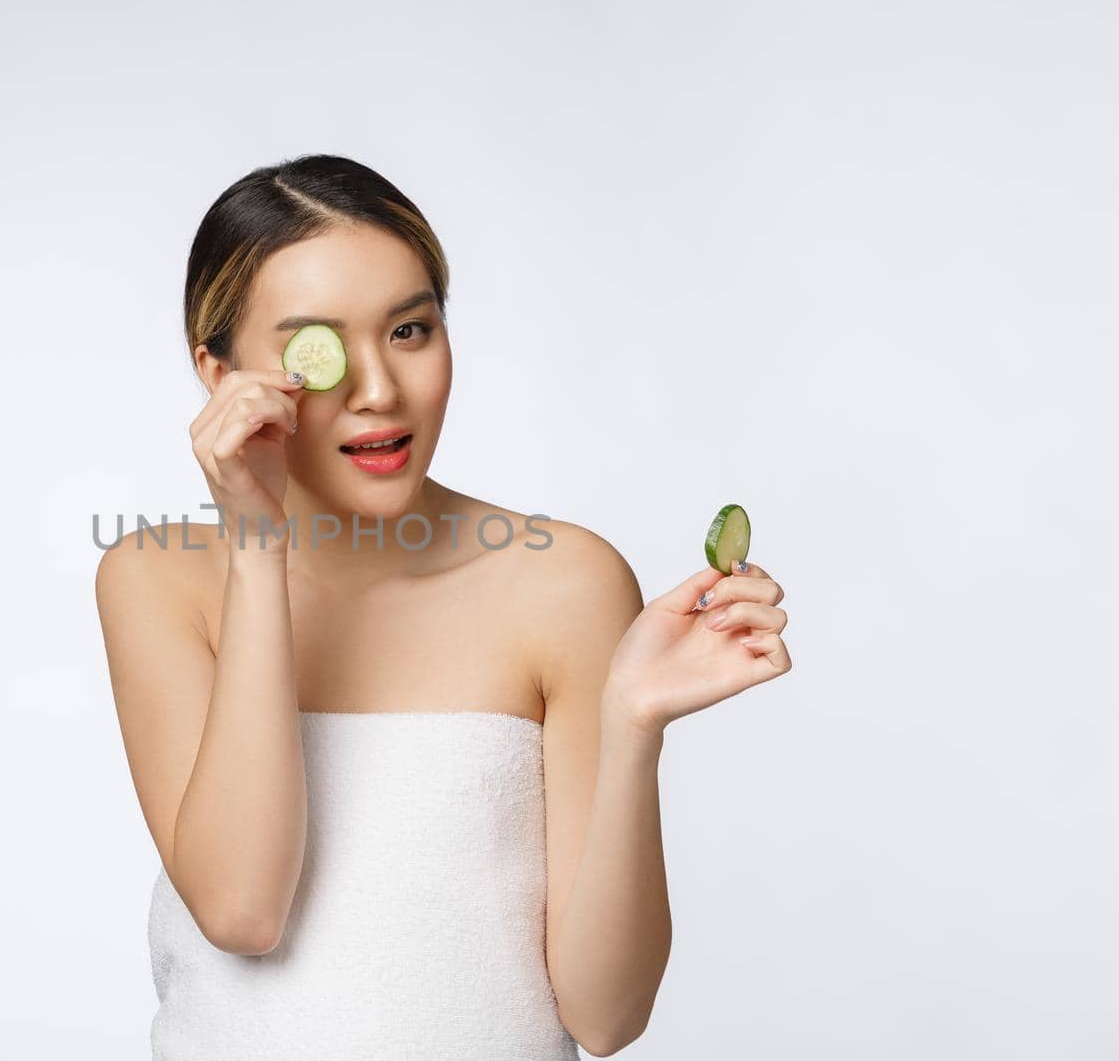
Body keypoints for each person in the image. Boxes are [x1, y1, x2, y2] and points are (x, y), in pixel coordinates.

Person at [94, 153, 793, 1059]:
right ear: (218, 372)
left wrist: (630, 724)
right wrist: (257, 548)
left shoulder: (565, 581)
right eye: (322, 347)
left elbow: (605, 1016)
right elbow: (242, 908)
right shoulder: (156, 579)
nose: (379, 389)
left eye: (411, 330)